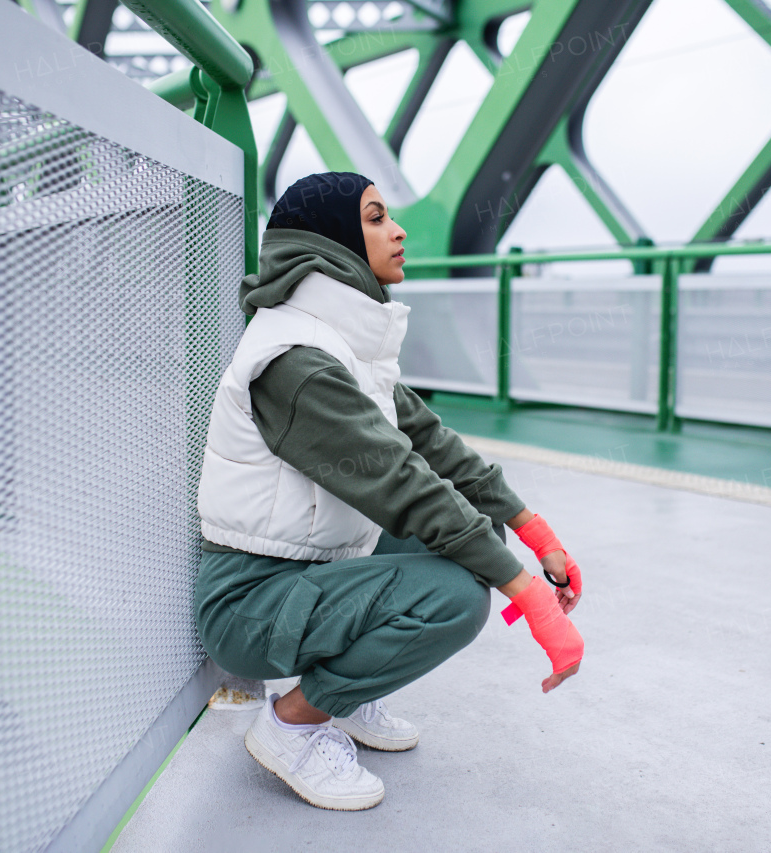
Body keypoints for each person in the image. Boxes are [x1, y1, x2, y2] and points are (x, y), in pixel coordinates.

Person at [193, 171, 584, 811]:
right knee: (458, 595)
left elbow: (432, 444)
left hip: (303, 574)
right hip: (250, 602)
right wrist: (532, 600)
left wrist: (535, 534)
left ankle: (343, 691)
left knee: (471, 540)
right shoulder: (298, 362)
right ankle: (293, 723)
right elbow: (403, 486)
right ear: (333, 243)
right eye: (375, 218)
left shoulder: (338, 344)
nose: (398, 231)